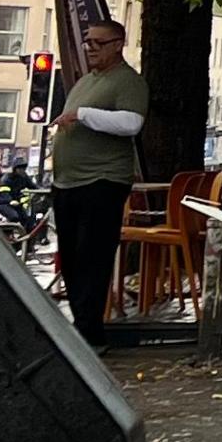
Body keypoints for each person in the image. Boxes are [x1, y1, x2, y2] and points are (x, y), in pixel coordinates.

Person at [47, 17, 150, 345]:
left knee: (92, 256)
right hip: (68, 181)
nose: (90, 48)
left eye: (97, 43)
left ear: (118, 44)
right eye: (87, 42)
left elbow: (130, 122)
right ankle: (81, 324)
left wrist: (82, 115)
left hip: (101, 179)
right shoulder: (85, 81)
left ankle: (89, 332)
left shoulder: (127, 82)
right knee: (72, 257)